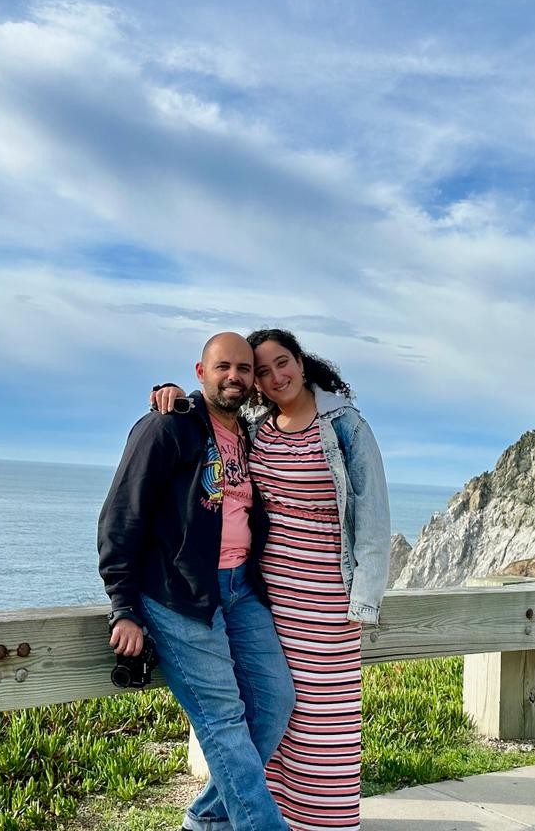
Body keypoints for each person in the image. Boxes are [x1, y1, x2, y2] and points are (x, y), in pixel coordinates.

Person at [154, 328, 391, 831]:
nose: (273, 376)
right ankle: (263, 815)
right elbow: (209, 418)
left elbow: (372, 515)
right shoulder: (256, 427)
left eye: (281, 363)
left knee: (326, 722)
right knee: (280, 712)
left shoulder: (344, 425)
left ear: (302, 362)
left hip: (328, 596)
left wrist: (364, 600)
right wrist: (172, 392)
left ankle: (324, 822)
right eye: (262, 371)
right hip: (267, 594)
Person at [98, 332, 294, 831]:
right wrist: (123, 607)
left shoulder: (250, 436)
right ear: (200, 371)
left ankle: (207, 818)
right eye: (223, 366)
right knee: (224, 721)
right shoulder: (167, 428)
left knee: (273, 705)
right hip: (178, 596)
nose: (235, 376)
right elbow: (122, 516)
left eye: (245, 369)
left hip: (240, 590)